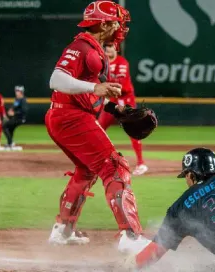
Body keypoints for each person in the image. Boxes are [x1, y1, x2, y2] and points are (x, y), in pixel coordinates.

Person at [45, 1, 146, 245]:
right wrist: (96, 87)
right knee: (115, 167)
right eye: (116, 22)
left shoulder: (92, 46)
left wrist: (114, 108)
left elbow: (86, 95)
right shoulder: (83, 46)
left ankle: (62, 231)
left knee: (87, 170)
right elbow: (56, 79)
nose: (121, 27)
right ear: (103, 24)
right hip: (71, 117)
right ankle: (131, 237)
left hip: (65, 115)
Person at [98, 43, 147, 175]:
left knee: (133, 130)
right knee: (98, 128)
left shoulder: (122, 62)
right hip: (111, 100)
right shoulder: (103, 63)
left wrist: (105, 86)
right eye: (106, 50)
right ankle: (96, 160)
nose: (108, 52)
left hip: (125, 101)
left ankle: (141, 163)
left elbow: (121, 87)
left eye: (110, 49)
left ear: (116, 49)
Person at [2, 85, 28, 151]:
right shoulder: (17, 99)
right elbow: (14, 107)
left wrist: (15, 113)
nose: (16, 92)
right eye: (16, 91)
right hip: (15, 118)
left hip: (20, 119)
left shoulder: (23, 100)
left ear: (21, 92)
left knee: (4, 126)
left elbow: (24, 110)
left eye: (18, 91)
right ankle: (10, 143)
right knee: (10, 128)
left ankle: (10, 143)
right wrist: (10, 110)